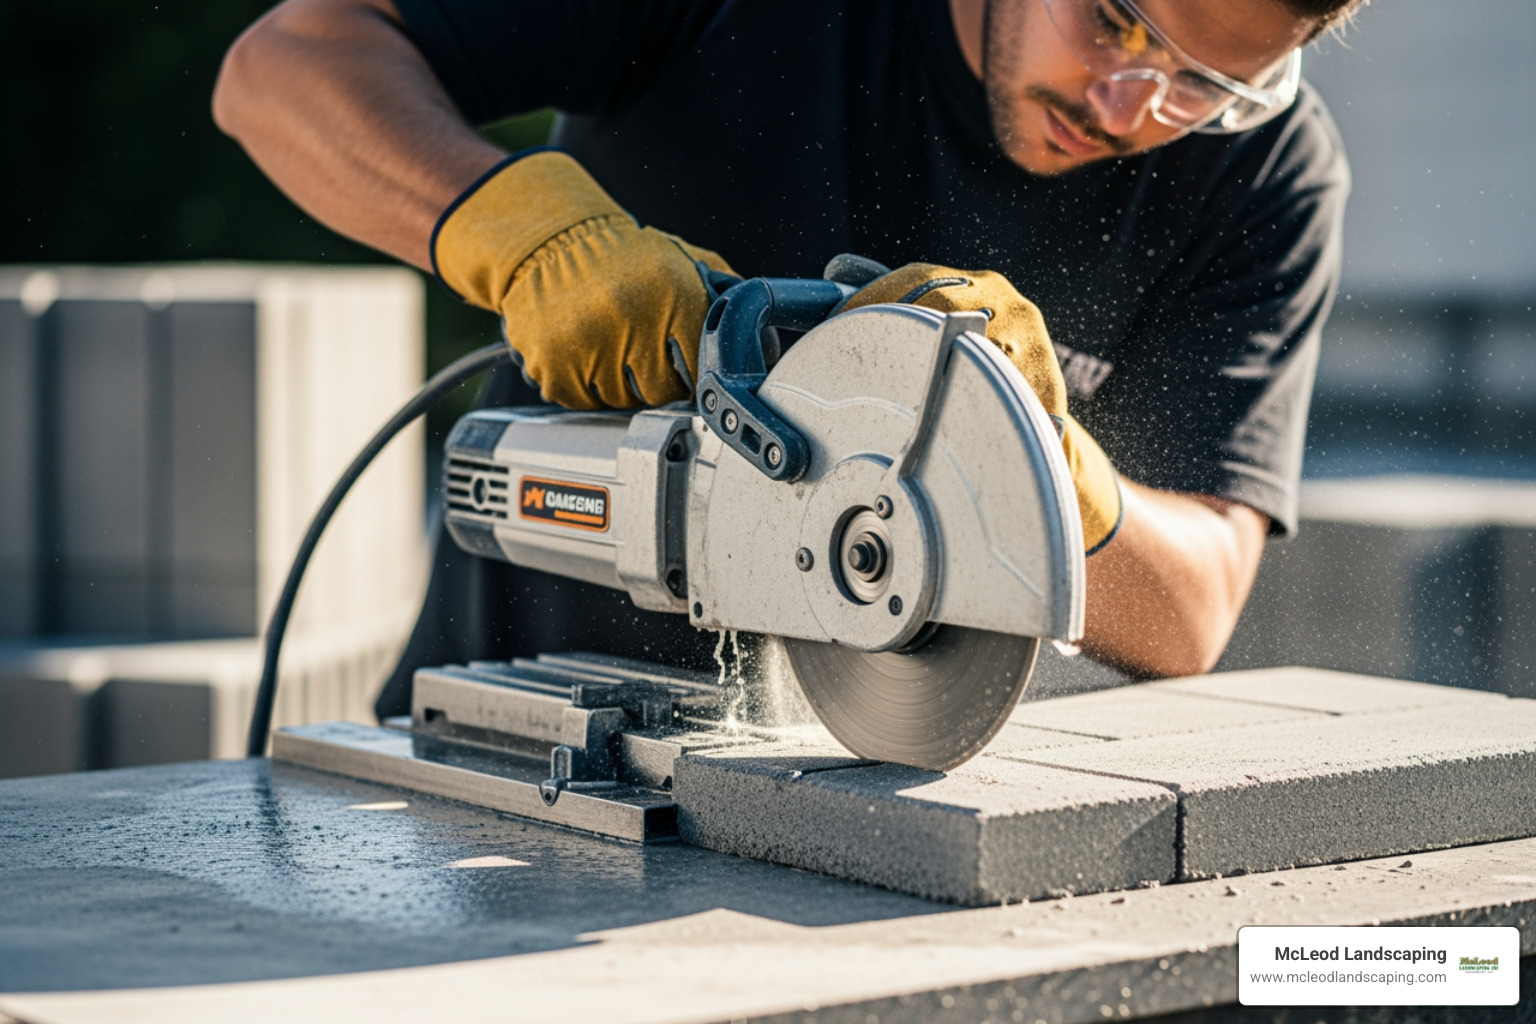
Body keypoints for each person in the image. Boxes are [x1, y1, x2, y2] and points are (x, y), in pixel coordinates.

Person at [212, 0, 1360, 698]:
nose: (1126, 103)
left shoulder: (1266, 172)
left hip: (873, 798)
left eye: (1204, 87)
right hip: (503, 724)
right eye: (1116, 19)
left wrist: (1046, 464)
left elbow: (1194, 607)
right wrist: (526, 234)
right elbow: (285, 65)